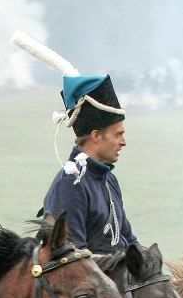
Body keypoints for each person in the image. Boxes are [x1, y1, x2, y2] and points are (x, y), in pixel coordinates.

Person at [42, 69, 136, 253]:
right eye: (118, 135)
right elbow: (73, 257)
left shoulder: (109, 180)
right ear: (96, 136)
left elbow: (128, 239)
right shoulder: (70, 183)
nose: (123, 142)